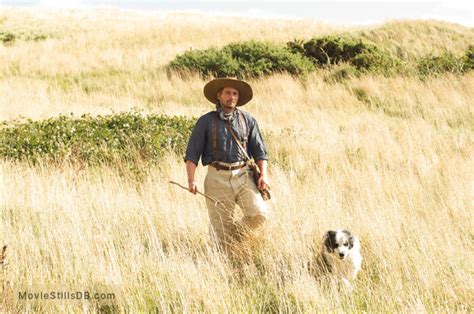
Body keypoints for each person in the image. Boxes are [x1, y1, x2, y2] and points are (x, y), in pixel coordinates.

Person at [184, 77, 270, 255]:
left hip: (244, 174)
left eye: (235, 93)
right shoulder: (205, 121)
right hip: (216, 178)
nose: (231, 96)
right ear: (219, 96)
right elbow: (192, 154)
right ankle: (224, 259)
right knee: (220, 229)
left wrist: (263, 175)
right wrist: (191, 180)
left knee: (259, 214)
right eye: (228, 93)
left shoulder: (248, 120)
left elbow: (260, 152)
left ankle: (232, 237)